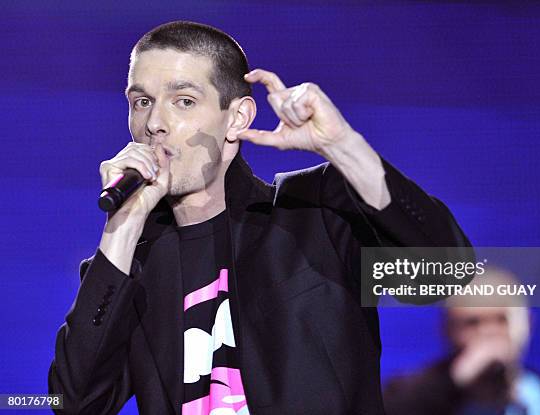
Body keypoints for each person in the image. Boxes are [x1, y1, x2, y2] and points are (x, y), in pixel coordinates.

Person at [48, 21, 470, 414]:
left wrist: (343, 145)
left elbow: (446, 271)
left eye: (184, 101)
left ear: (237, 118)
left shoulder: (315, 211)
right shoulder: (129, 268)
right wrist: (122, 225)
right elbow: (70, 401)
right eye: (142, 101)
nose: (155, 123)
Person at [383, 268, 540, 415]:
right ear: (447, 329)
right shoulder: (405, 394)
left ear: (528, 325)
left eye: (501, 320)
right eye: (472, 323)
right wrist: (455, 381)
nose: (489, 332)